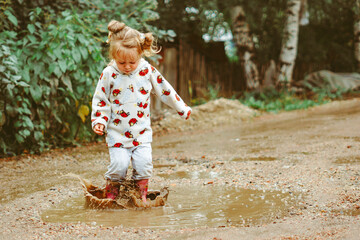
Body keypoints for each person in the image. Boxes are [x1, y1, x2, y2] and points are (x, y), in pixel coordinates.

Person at [91, 20, 192, 203]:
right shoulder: (109, 74)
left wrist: (182, 108)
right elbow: (101, 99)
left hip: (142, 132)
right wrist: (99, 120)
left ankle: (141, 195)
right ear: (113, 56)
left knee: (144, 165)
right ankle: (111, 193)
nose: (128, 66)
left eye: (132, 62)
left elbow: (165, 90)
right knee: (119, 165)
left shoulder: (146, 70)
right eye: (122, 62)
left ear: (140, 54)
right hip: (117, 132)